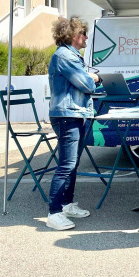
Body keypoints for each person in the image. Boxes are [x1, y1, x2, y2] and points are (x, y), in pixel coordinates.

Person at [46, 17, 101, 230]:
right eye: (84, 33)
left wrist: (90, 78)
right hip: (67, 115)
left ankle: (66, 205)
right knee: (66, 165)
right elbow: (86, 83)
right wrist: (94, 79)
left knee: (73, 164)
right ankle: (54, 213)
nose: (86, 37)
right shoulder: (64, 56)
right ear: (74, 35)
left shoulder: (71, 55)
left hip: (74, 113)